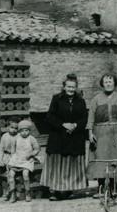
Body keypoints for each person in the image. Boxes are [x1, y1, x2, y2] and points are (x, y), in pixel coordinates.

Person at [40, 73, 88, 201]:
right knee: (58, 164)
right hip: (58, 137)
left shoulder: (81, 101)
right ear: (64, 87)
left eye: (73, 87)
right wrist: (63, 125)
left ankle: (68, 190)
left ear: (76, 87)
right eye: (68, 87)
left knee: (70, 165)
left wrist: (75, 125)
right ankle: (55, 191)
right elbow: (50, 116)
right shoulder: (56, 99)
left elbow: (84, 117)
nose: (71, 89)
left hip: (74, 138)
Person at [87, 73, 117, 199]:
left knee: (113, 160)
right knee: (100, 159)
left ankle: (113, 188)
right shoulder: (96, 99)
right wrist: (90, 133)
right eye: (106, 82)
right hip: (100, 133)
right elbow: (91, 118)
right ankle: (100, 188)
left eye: (110, 82)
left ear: (115, 83)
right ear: (102, 84)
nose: (108, 84)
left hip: (116, 132)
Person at [6, 120, 40, 203]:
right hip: (17, 159)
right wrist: (12, 155)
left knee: (25, 174)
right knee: (11, 175)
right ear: (19, 131)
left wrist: (32, 154)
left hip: (27, 160)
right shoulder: (17, 138)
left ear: (29, 131)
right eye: (22, 131)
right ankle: (13, 194)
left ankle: (27, 193)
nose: (24, 133)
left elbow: (37, 149)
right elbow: (13, 147)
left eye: (26, 130)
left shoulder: (32, 139)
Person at [0, 116, 19, 199]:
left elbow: (19, 151)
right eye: (12, 127)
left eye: (16, 128)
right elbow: (0, 149)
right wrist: (1, 158)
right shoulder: (4, 136)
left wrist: (11, 159)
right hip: (5, 156)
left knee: (9, 170)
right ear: (7, 127)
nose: (14, 130)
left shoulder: (18, 137)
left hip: (14, 157)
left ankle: (8, 190)